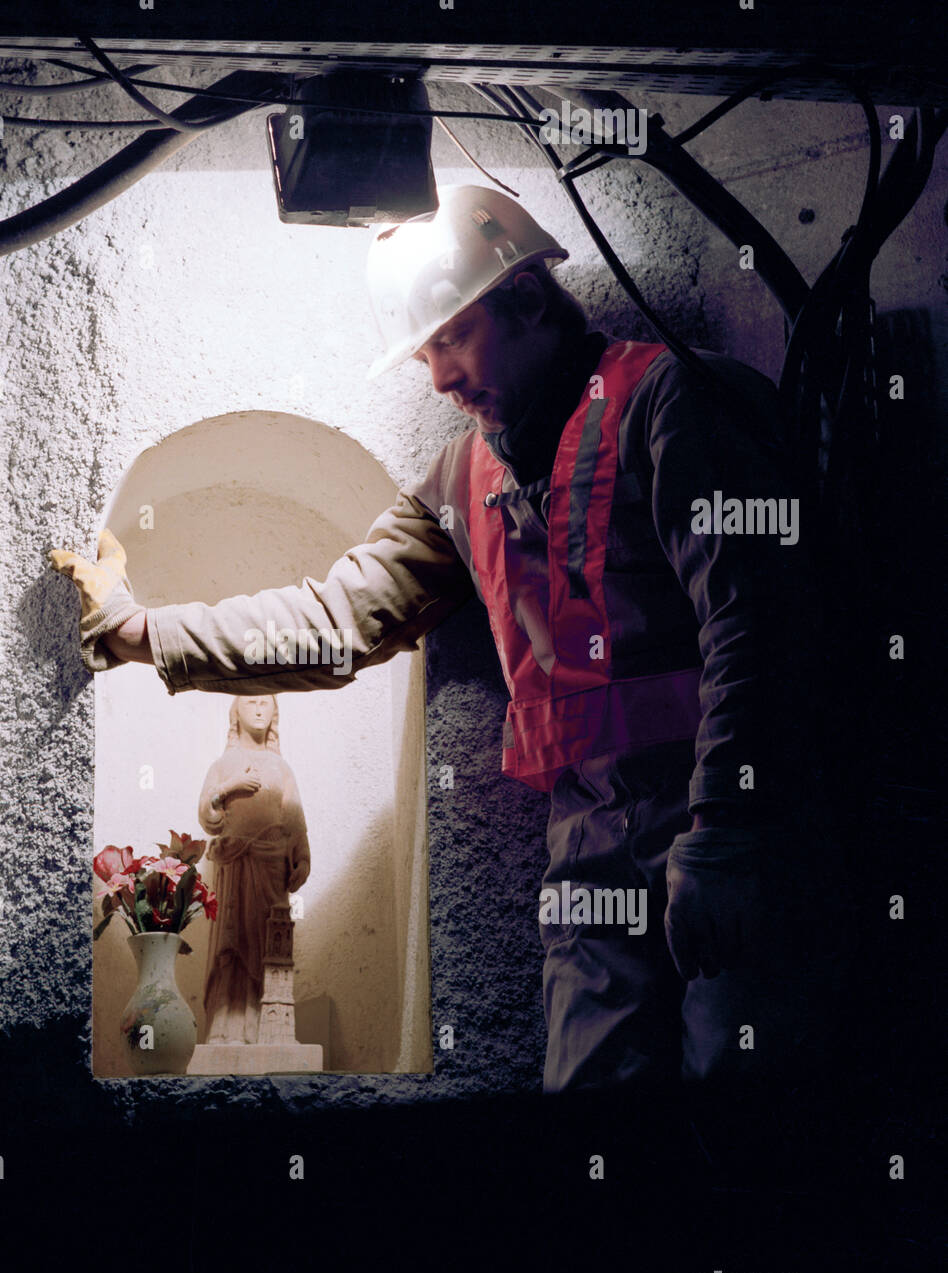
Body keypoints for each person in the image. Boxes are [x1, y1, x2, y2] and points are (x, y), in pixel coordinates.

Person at [49, 183, 818, 1093]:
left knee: (748, 1109)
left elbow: (758, 618)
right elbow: (335, 618)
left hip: (728, 818)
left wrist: (732, 823)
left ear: (531, 298)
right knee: (593, 1121)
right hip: (588, 837)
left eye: (453, 337)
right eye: (425, 353)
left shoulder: (670, 401)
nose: (442, 378)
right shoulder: (470, 473)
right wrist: (139, 629)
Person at [195, 694, 310, 1045]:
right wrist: (230, 787)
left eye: (265, 702)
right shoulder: (223, 765)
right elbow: (207, 816)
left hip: (271, 866)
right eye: (250, 702)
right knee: (231, 942)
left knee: (267, 947)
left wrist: (302, 856)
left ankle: (265, 1030)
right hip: (234, 865)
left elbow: (294, 821)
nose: (258, 708)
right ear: (236, 713)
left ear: (275, 712)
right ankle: (223, 1028)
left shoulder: (282, 768)